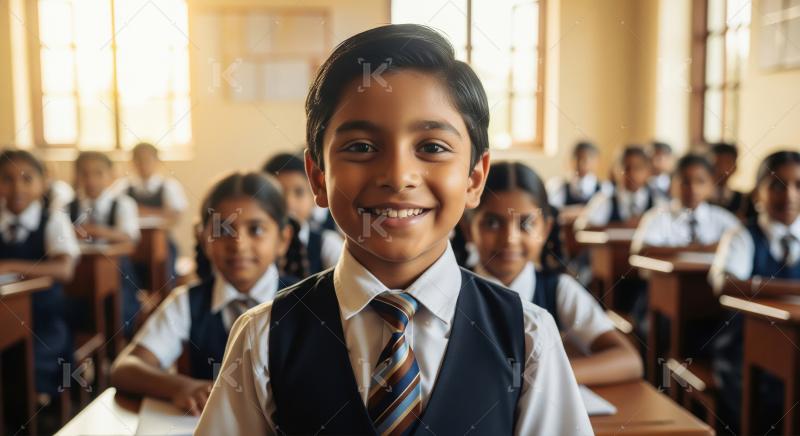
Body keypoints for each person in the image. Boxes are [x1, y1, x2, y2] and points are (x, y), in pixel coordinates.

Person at [196, 24, 591, 435]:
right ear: (318, 178)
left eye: (432, 147)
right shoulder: (264, 338)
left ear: (475, 178)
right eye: (362, 147)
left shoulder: (527, 338)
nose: (399, 176)